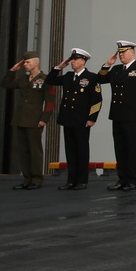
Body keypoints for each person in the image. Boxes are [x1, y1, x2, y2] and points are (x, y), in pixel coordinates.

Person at [96, 41, 136, 192]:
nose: (121, 55)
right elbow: (100, 79)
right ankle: (122, 179)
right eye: (119, 52)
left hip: (133, 116)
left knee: (132, 148)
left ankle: (133, 180)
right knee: (120, 148)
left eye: (124, 52)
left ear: (132, 52)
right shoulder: (116, 70)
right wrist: (107, 65)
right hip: (117, 114)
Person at [44, 48, 102, 191]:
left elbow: (96, 100)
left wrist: (92, 118)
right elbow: (49, 80)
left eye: (75, 60)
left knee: (81, 150)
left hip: (82, 119)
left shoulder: (91, 77)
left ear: (83, 61)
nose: (72, 62)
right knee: (70, 150)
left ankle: (82, 181)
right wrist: (59, 67)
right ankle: (71, 180)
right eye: (72, 59)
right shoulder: (69, 76)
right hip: (68, 118)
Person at [1, 51, 54, 190]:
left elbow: (50, 102)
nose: (25, 64)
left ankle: (36, 179)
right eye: (24, 62)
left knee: (35, 150)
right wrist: (13, 70)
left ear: (36, 63)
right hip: (21, 118)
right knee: (23, 150)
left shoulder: (45, 79)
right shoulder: (23, 79)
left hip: (35, 120)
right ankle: (26, 178)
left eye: (28, 62)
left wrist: (44, 119)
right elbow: (5, 84)